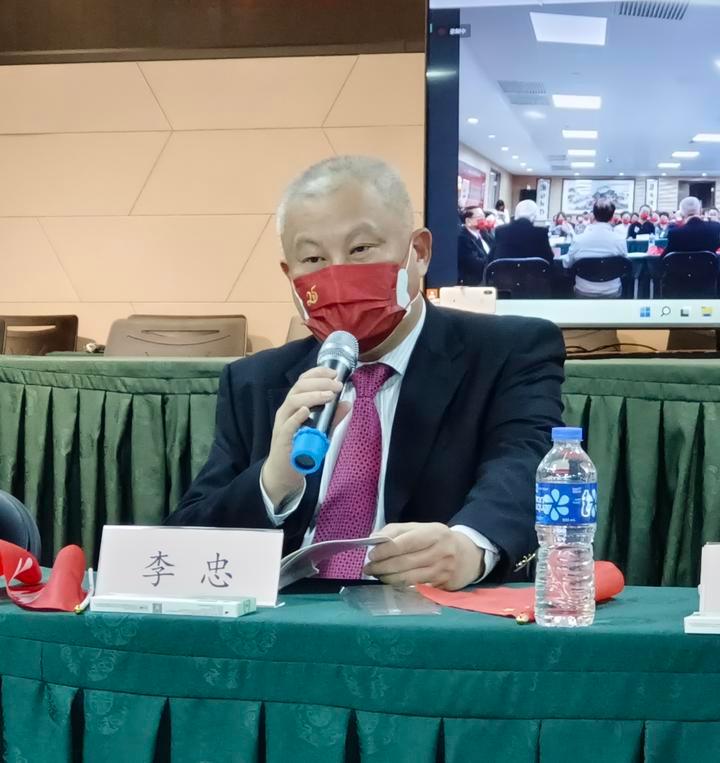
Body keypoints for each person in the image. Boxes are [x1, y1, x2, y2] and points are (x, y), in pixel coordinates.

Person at [166, 155, 565, 590]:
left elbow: (525, 466)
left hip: (423, 609)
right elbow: (187, 542)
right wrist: (272, 481)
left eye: (360, 250)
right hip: (288, 613)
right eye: (313, 258)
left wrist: (469, 546)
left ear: (419, 252)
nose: (337, 275)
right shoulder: (254, 380)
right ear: (289, 275)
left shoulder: (508, 350)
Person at [562, 198, 629, 298]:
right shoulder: (620, 240)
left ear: (593, 215)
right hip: (612, 290)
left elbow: (567, 264)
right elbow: (624, 263)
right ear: (612, 217)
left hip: (584, 290)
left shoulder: (579, 239)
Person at [487, 199, 555, 265]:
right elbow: (550, 259)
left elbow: (490, 259)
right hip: (533, 272)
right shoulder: (541, 233)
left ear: (516, 214)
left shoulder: (500, 231)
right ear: (535, 216)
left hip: (504, 272)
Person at [457, 206, 489, 285]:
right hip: (475, 283)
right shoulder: (463, 239)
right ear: (468, 221)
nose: (483, 219)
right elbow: (475, 263)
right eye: (480, 217)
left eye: (483, 216)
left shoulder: (484, 233)